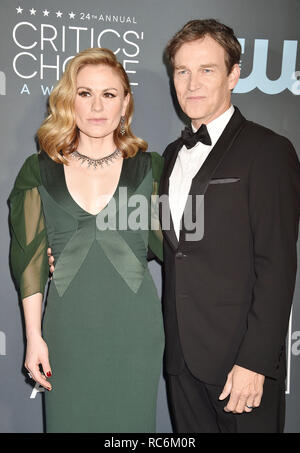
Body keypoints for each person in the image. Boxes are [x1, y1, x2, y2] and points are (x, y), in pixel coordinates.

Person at [9, 48, 165, 433]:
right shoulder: (39, 170)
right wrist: (34, 338)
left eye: (109, 94)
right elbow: (29, 260)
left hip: (135, 330)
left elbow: (179, 245)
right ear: (69, 100)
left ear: (125, 102)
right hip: (67, 331)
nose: (97, 106)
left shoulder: (151, 167)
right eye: (85, 93)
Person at [159, 19, 300, 433]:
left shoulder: (269, 151)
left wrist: (255, 361)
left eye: (207, 70)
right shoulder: (169, 155)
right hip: (182, 361)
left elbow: (277, 264)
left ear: (234, 74)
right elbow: (167, 242)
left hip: (241, 363)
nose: (191, 83)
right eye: (182, 71)